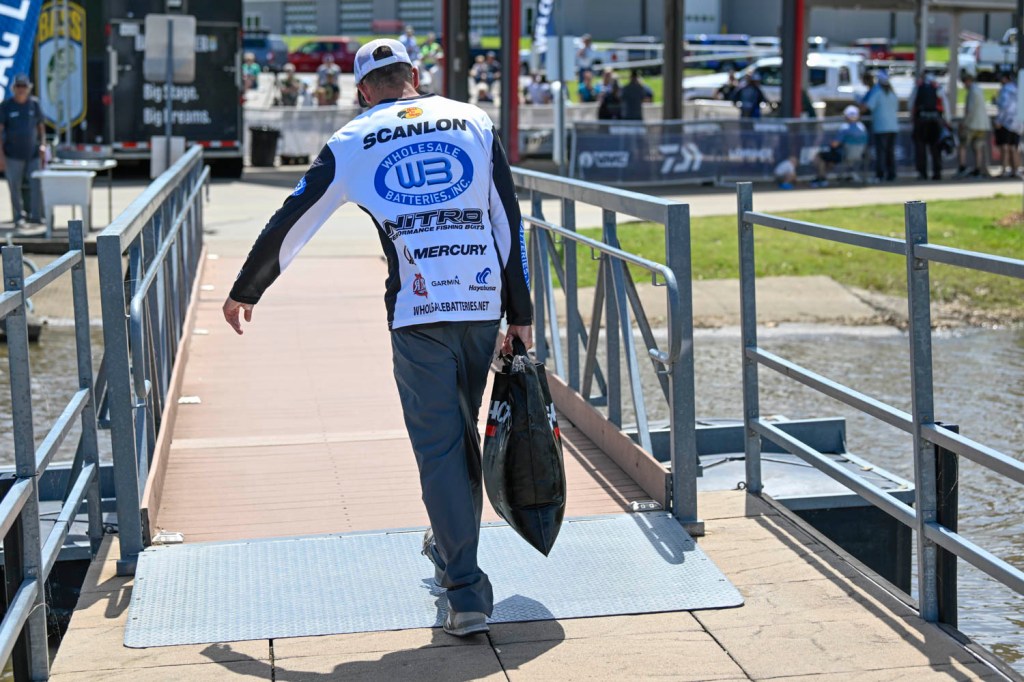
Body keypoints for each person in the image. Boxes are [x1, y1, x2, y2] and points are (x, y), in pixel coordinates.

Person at [221, 38, 532, 639]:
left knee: (442, 448)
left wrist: (247, 289)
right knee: (460, 439)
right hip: (481, 306)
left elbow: (294, 217)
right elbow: (508, 220)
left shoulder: (353, 140)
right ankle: (450, 551)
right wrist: (521, 310)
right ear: (414, 72)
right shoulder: (473, 120)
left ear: (363, 90)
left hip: (418, 311)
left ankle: (466, 592)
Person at [0, 74, 46, 228]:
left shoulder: (34, 105)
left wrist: (43, 145)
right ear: (13, 88)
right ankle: (18, 216)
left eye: (24, 86)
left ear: (28, 88)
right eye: (18, 86)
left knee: (36, 185)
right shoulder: (6, 106)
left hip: (33, 153)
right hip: (12, 155)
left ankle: (37, 216)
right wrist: (1, 156)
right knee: (14, 186)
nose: (21, 89)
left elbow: (41, 127)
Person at [811, 105, 869, 187]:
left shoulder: (845, 128)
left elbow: (834, 144)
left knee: (819, 156)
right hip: (860, 155)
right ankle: (823, 178)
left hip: (844, 155)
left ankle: (822, 179)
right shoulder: (863, 127)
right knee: (830, 159)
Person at [861, 70, 899, 182]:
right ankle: (891, 174)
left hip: (881, 127)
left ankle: (880, 175)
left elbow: (867, 107)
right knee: (890, 152)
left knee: (881, 153)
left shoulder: (877, 92)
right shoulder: (892, 93)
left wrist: (856, 112)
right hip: (893, 127)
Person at [956, 72, 991, 178]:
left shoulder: (972, 91)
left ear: (968, 81)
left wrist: (964, 123)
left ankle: (962, 167)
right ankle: (978, 169)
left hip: (972, 124)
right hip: (982, 124)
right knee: (978, 147)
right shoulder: (979, 90)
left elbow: (969, 110)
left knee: (962, 145)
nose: (964, 85)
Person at [911, 73, 945, 180]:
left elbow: (911, 104)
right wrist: (946, 121)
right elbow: (945, 105)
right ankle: (937, 172)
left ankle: (922, 173)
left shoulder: (918, 88)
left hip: (921, 122)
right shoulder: (938, 89)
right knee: (936, 149)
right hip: (935, 122)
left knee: (921, 148)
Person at [993, 70, 1020, 178]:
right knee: (1014, 146)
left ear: (1005, 79)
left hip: (1006, 121)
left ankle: (1004, 169)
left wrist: (998, 120)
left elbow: (1004, 107)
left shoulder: (1005, 90)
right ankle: (1015, 170)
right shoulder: (1018, 90)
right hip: (1017, 122)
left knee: (1005, 146)